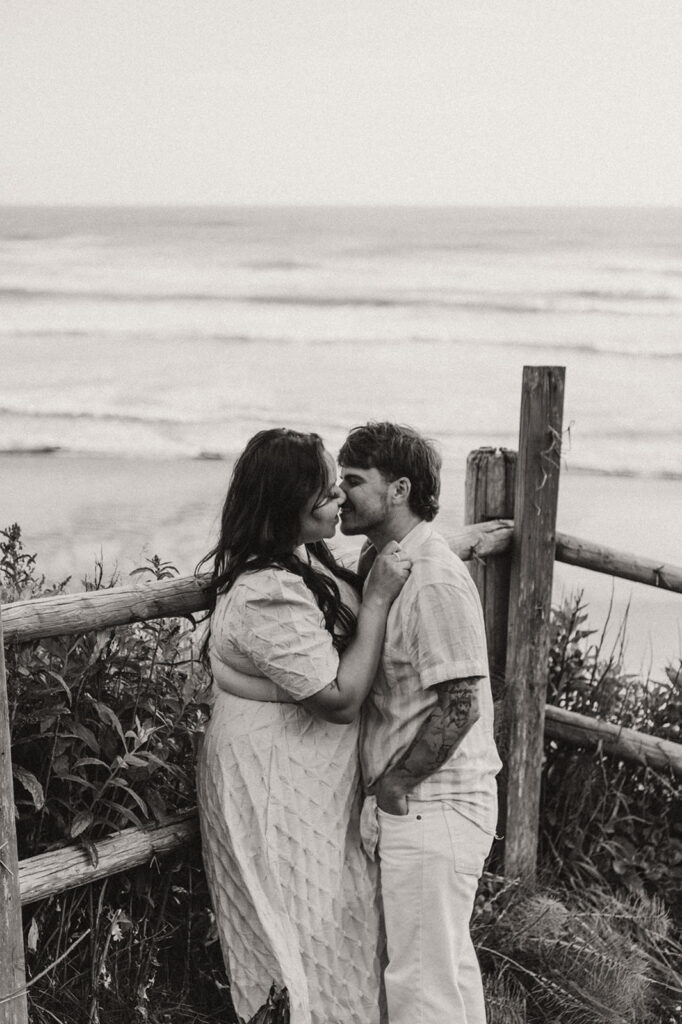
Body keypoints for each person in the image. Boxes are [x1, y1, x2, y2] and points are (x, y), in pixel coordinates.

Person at [195, 427, 411, 1024]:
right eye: (323, 490)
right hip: (273, 778)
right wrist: (376, 602)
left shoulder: (302, 557)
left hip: (312, 775)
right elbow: (338, 698)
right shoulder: (267, 589)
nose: (339, 496)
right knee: (296, 931)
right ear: (288, 501)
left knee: (341, 925)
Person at [336, 421, 502, 1024]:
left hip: (434, 806)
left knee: (418, 991)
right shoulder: (387, 560)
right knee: (446, 978)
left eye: (354, 480)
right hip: (431, 806)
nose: (338, 492)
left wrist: (393, 787)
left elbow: (462, 704)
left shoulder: (431, 577)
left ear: (399, 489)